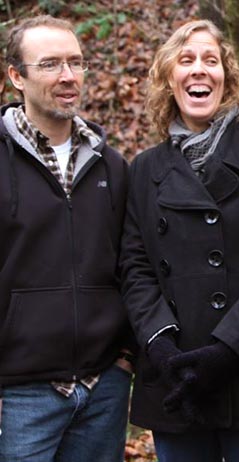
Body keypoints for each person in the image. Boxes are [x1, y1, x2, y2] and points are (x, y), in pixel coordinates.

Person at [119, 19, 239, 462]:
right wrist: (162, 347)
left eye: (211, 60)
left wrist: (226, 349)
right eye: (186, 60)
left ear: (227, 76)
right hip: (176, 378)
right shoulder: (144, 169)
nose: (199, 69)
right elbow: (135, 266)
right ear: (168, 78)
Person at [0, 15, 133, 462]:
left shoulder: (111, 166)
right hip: (17, 396)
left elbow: (132, 265)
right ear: (15, 76)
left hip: (103, 388)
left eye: (76, 63)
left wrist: (126, 355)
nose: (68, 77)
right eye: (51, 65)